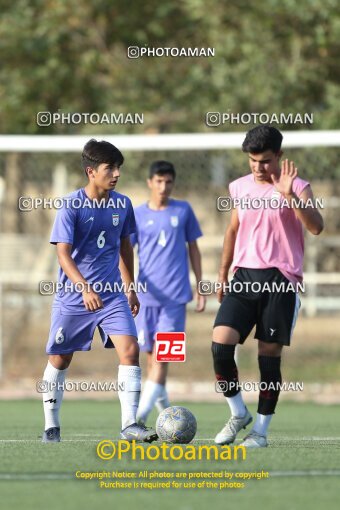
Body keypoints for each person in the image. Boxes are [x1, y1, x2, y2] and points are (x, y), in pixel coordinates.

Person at [212, 125, 323, 448]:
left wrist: (290, 197)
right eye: (252, 161)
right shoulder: (239, 187)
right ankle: (238, 413)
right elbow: (232, 231)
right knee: (220, 347)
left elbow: (316, 227)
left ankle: (259, 432)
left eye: (265, 161)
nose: (258, 168)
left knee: (268, 359)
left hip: (280, 282)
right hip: (243, 278)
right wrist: (222, 275)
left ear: (279, 156)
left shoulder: (299, 187)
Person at [41, 139, 157, 443]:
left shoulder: (122, 204)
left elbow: (124, 246)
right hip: (74, 296)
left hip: (112, 296)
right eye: (110, 168)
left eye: (118, 167)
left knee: (130, 351)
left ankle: (130, 425)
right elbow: (63, 254)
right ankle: (51, 426)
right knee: (60, 359)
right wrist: (84, 289)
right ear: (91, 171)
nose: (117, 173)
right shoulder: (71, 205)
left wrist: (130, 288)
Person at [130, 161, 206, 425]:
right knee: (151, 360)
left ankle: (137, 419)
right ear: (150, 182)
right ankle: (169, 418)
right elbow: (125, 253)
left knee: (163, 358)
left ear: (173, 183)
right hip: (145, 298)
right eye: (159, 181)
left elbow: (193, 248)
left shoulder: (183, 211)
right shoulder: (137, 215)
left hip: (175, 298)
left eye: (169, 182)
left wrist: (200, 284)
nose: (163, 187)